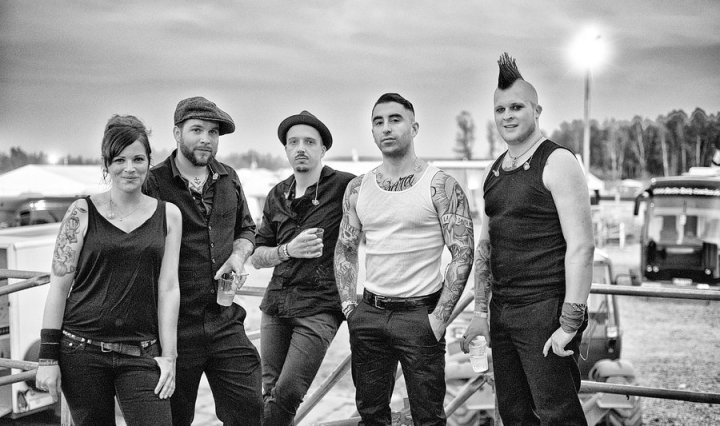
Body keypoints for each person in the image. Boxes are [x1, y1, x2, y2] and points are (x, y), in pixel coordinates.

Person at [461, 53, 595, 425]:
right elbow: (486, 246)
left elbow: (582, 246)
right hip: (503, 311)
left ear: (537, 110)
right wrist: (480, 314)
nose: (507, 115)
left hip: (544, 310)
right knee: (515, 415)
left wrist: (570, 323)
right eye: (500, 109)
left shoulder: (557, 162)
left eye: (517, 107)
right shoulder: (493, 171)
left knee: (559, 416)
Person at [335, 93, 474, 425]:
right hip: (369, 314)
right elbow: (345, 248)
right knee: (371, 415)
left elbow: (462, 252)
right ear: (372, 131)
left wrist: (439, 318)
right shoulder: (358, 188)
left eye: (395, 119)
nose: (386, 128)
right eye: (378, 121)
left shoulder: (440, 185)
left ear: (414, 128)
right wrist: (350, 308)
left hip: (420, 315)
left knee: (428, 418)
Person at [35, 115, 182, 425]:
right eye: (119, 160)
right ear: (106, 164)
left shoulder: (169, 215)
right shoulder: (81, 211)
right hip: (81, 350)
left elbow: (169, 288)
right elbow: (59, 287)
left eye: (138, 159)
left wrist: (169, 356)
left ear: (148, 162)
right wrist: (47, 358)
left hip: (142, 352)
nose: (130, 168)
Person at [143, 96, 263, 425]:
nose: (206, 139)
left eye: (213, 132)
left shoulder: (228, 177)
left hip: (224, 319)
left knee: (250, 408)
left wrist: (238, 255)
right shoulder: (153, 183)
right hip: (173, 328)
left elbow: (247, 229)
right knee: (174, 418)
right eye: (197, 130)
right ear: (177, 133)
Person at [250, 110, 355, 424]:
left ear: (323, 149)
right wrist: (287, 250)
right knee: (270, 391)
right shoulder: (276, 194)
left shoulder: (345, 186)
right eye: (293, 142)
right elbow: (257, 256)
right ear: (285, 149)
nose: (301, 148)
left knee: (288, 393)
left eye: (309, 142)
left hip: (320, 306)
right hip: (275, 305)